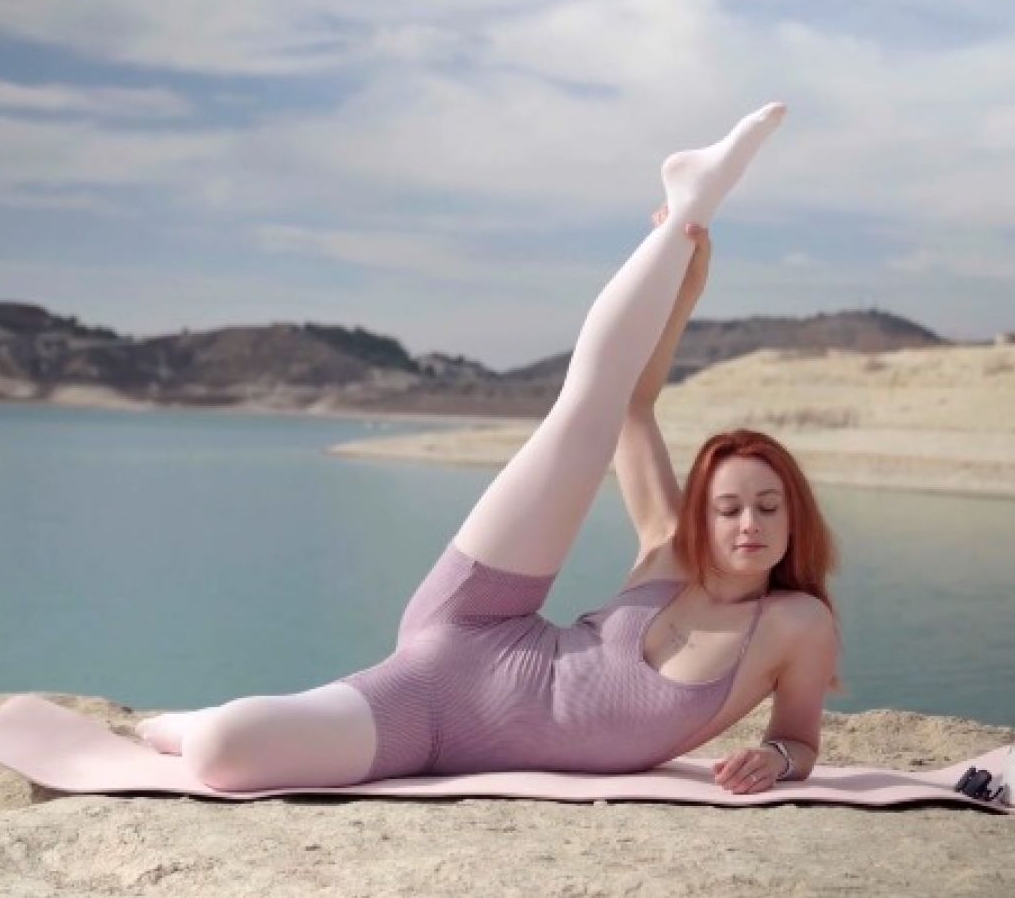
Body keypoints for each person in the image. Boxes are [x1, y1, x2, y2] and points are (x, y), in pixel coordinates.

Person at [137, 103, 841, 797]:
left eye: (767, 505)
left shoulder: (796, 624)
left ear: (791, 518)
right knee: (585, 412)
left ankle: (180, 725)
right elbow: (632, 402)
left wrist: (776, 760)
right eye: (728, 507)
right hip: (473, 619)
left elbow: (798, 738)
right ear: (704, 518)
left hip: (436, 719)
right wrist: (683, 285)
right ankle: (692, 197)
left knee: (225, 750)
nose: (749, 522)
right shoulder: (669, 549)